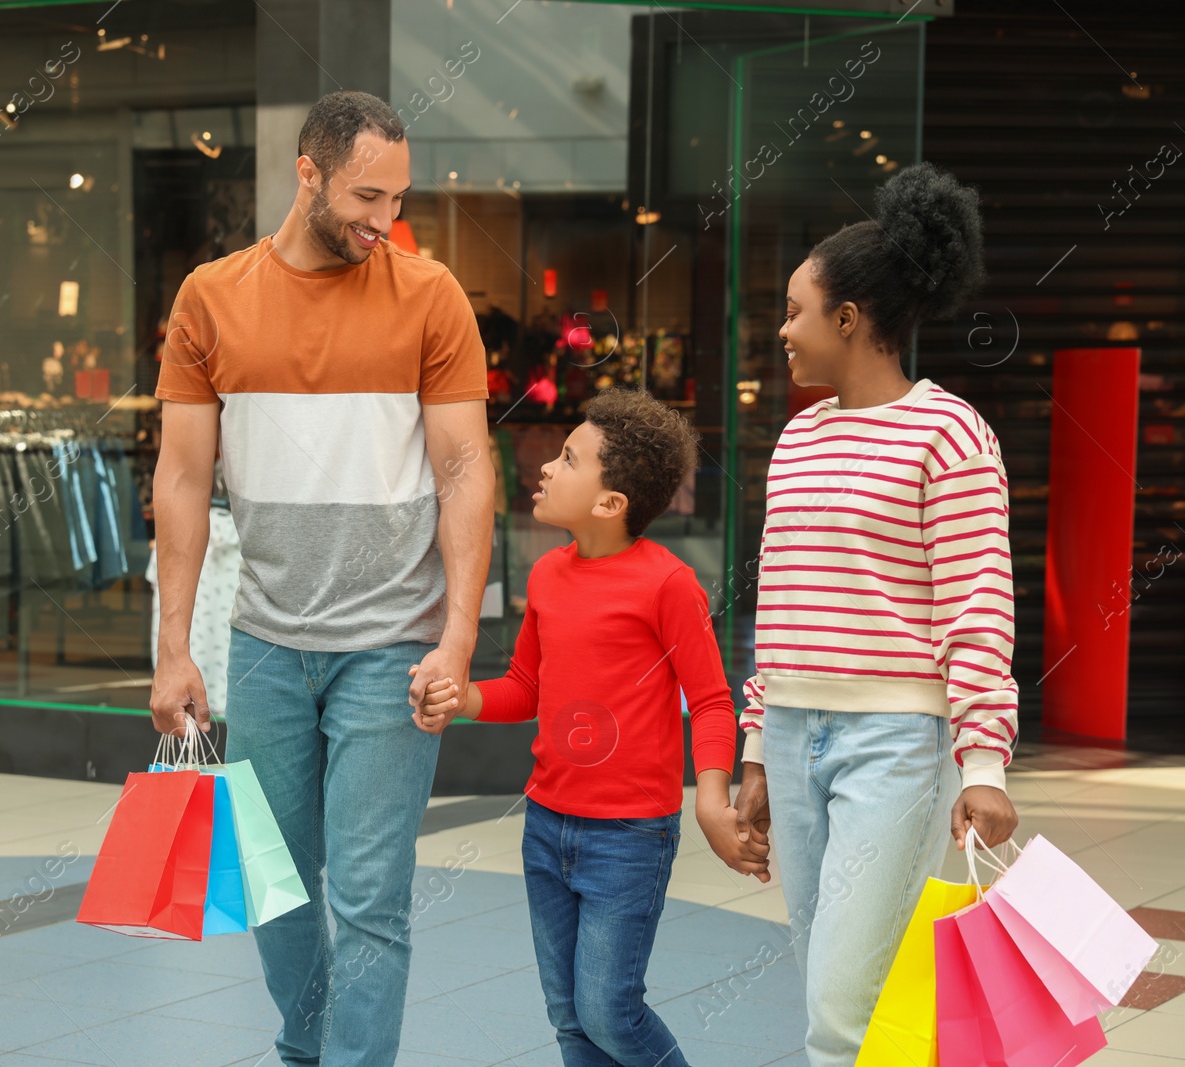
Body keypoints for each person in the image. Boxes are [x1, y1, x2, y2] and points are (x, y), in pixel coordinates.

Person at [149, 89, 493, 1066]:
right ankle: (307, 1043)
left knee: (370, 895)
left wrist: (457, 637)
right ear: (307, 174)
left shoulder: (429, 296)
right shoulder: (211, 297)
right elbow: (179, 477)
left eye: (398, 198)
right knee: (271, 879)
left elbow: (467, 470)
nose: (385, 222)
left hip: (391, 649)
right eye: (366, 197)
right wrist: (174, 648)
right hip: (262, 641)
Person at [731, 161, 1020, 1066]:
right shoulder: (798, 437)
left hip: (895, 743)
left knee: (841, 1007)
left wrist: (983, 762)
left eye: (795, 309)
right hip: (793, 732)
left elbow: (977, 608)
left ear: (849, 320)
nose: (782, 329)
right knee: (834, 979)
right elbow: (777, 604)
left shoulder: (951, 435)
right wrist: (755, 744)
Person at [414, 389, 766, 1067]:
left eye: (568, 458)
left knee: (610, 1009)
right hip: (545, 826)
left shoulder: (669, 585)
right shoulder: (547, 575)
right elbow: (526, 688)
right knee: (570, 1019)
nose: (546, 467)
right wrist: (460, 701)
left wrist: (712, 795)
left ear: (610, 504)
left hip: (629, 838)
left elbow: (714, 700)